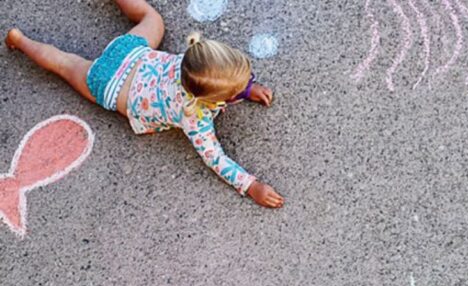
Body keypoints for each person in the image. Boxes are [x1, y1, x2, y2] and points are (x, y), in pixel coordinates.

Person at [5, 0, 285, 208]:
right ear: (211, 101)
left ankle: (20, 40)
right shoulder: (194, 117)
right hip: (109, 85)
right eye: (241, 88)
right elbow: (217, 159)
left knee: (152, 18)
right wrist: (251, 186)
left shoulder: (196, 62)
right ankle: (22, 41)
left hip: (131, 52)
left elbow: (221, 79)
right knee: (65, 65)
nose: (249, 84)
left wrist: (245, 89)